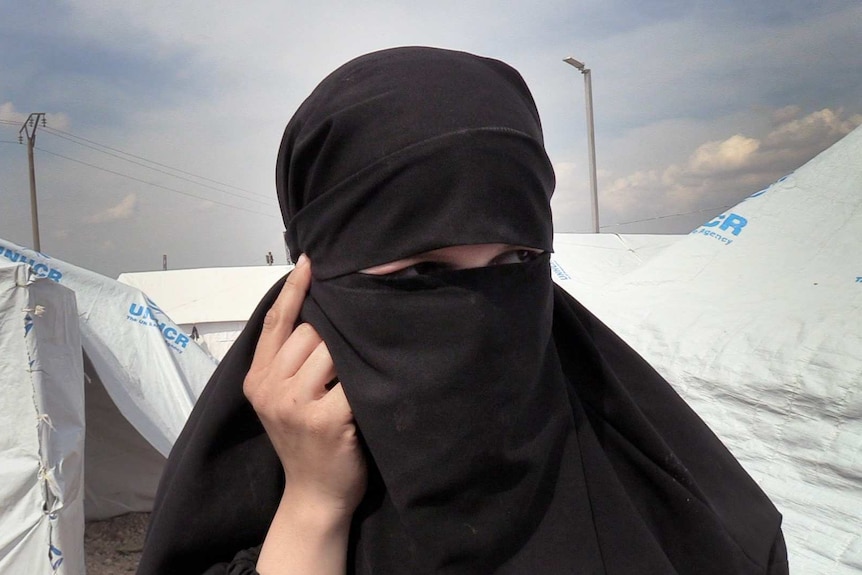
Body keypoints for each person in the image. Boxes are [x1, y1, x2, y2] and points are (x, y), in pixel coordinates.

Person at [138, 47, 788, 575]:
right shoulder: (250, 507)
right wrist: (313, 503)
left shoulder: (655, 490)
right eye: (423, 270)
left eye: (515, 263)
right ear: (316, 279)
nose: (482, 318)